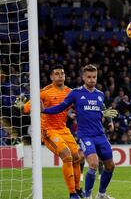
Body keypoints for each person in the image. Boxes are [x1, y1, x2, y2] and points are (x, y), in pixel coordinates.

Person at [42, 64, 118, 199]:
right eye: (88, 77)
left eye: (94, 77)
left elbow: (104, 110)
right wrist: (44, 110)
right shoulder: (76, 93)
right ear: (83, 78)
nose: (92, 80)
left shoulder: (100, 95)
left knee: (110, 166)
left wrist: (110, 121)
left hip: (100, 135)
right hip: (85, 135)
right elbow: (61, 107)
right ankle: (87, 196)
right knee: (93, 164)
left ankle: (101, 194)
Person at [14, 64, 83, 199]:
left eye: (62, 73)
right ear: (51, 76)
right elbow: (26, 108)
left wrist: (74, 113)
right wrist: (23, 106)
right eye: (56, 74)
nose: (60, 76)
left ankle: (78, 189)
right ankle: (72, 193)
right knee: (67, 156)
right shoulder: (44, 92)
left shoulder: (70, 92)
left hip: (63, 129)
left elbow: (78, 106)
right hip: (49, 131)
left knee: (77, 158)